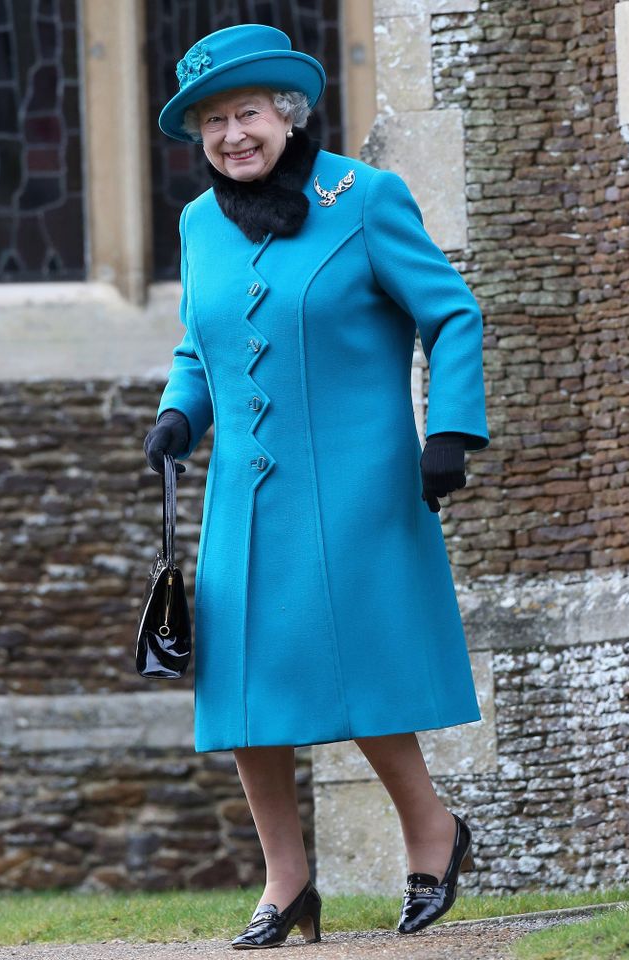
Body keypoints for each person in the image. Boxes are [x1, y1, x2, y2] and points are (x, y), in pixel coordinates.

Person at [144, 23, 490, 951]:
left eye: (247, 113)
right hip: (244, 497)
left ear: (288, 115)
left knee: (364, 665)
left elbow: (451, 313)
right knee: (243, 688)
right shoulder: (197, 223)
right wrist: (178, 415)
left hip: (357, 484)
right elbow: (199, 346)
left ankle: (431, 833)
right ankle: (286, 880)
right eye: (212, 122)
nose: (231, 136)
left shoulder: (363, 197)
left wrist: (450, 430)